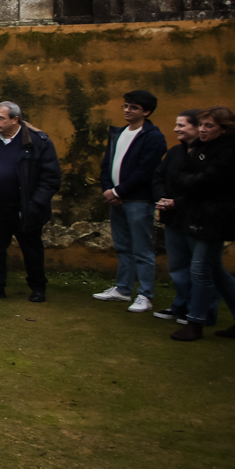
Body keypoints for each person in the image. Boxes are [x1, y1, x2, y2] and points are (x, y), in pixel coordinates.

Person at [166, 106, 235, 341]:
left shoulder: (231, 154)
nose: (203, 130)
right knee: (214, 270)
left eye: (209, 126)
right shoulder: (199, 148)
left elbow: (206, 182)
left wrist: (189, 182)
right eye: (201, 125)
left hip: (215, 218)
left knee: (200, 270)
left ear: (224, 129)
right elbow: (179, 176)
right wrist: (190, 182)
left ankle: (196, 321)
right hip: (197, 214)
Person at [0, 101, 61, 302]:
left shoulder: (38, 141)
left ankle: (38, 287)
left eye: (0, 118)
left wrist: (36, 203)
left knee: (31, 248)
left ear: (15, 119)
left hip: (25, 207)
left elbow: (51, 178)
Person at [92, 90, 168, 313]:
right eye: (126, 106)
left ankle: (145, 294)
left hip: (138, 200)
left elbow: (146, 171)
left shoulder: (153, 137)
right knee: (123, 246)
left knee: (142, 249)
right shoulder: (118, 133)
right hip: (116, 199)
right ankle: (123, 289)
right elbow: (107, 163)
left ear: (146, 111)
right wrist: (109, 189)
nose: (127, 110)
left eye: (133, 107)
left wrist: (119, 192)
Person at [152, 109, 203, 325]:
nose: (176, 129)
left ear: (197, 127)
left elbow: (205, 186)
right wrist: (162, 198)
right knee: (178, 265)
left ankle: (199, 310)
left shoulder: (206, 154)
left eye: (182, 125)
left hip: (196, 218)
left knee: (200, 268)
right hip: (172, 217)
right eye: (176, 124)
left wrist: (177, 202)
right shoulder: (174, 153)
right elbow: (158, 177)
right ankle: (180, 305)